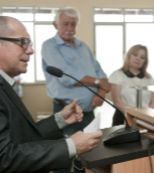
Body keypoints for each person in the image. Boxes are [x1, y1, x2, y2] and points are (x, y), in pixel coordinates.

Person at [0, 16, 103, 173]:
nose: (31, 50)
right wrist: (71, 146)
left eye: (29, 44)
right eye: (22, 42)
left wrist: (60, 119)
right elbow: (2, 156)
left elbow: (20, 136)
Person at [42, 6, 111, 173]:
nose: (70, 28)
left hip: (89, 113)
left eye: (73, 24)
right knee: (64, 159)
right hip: (67, 113)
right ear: (55, 24)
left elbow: (102, 76)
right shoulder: (50, 46)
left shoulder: (83, 46)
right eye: (65, 24)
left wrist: (101, 92)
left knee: (87, 158)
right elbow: (68, 78)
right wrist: (98, 83)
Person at [109, 44, 154, 126]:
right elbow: (117, 101)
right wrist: (133, 116)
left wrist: (147, 117)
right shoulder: (117, 75)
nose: (138, 58)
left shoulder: (149, 78)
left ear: (145, 61)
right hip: (123, 118)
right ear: (129, 55)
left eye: (142, 57)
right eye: (135, 54)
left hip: (145, 120)